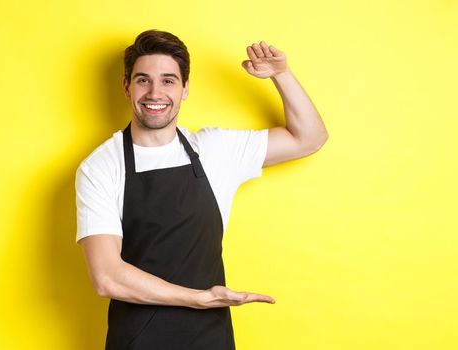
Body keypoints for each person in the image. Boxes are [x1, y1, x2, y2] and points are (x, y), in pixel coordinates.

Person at [75, 29, 327, 349]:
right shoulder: (102, 166)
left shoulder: (215, 149)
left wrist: (282, 75)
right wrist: (197, 298)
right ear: (126, 86)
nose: (155, 92)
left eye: (168, 80)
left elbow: (310, 138)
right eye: (143, 80)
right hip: (139, 339)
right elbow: (106, 276)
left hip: (210, 337)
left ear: (185, 89)